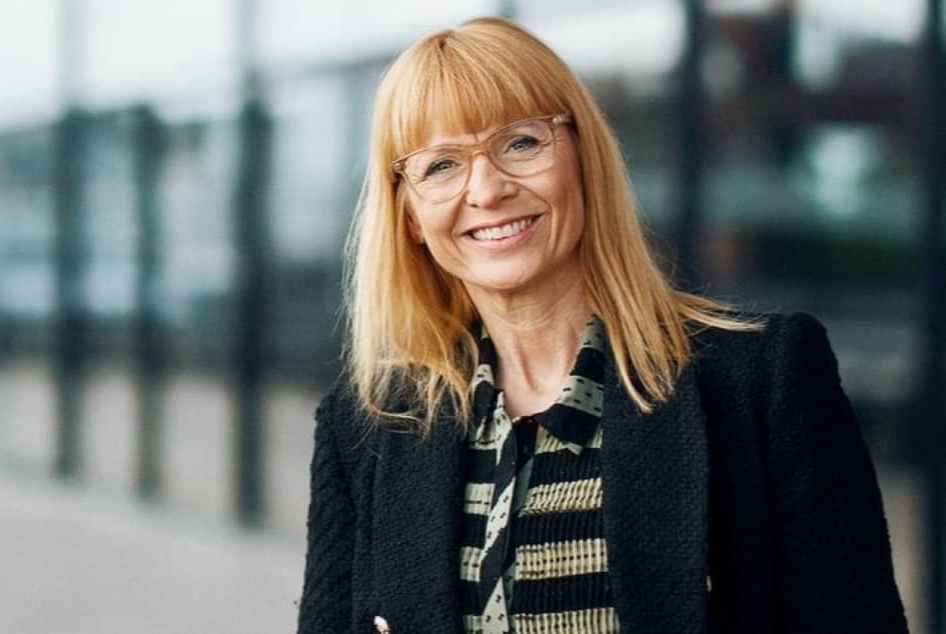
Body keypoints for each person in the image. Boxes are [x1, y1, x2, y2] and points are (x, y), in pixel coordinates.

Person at [297, 16, 907, 634]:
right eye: (441, 166)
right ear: (408, 214)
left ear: (583, 156)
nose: (486, 189)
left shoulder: (760, 383)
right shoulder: (366, 428)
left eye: (521, 143)